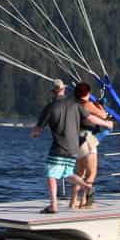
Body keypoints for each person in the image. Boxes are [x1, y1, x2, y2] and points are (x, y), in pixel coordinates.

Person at [30, 79, 87, 214]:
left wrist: (34, 134)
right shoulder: (74, 104)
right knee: (67, 174)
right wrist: (106, 123)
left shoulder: (50, 107)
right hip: (74, 148)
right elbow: (89, 118)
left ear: (53, 91)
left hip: (59, 147)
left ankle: (53, 205)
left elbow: (37, 131)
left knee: (51, 174)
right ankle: (86, 187)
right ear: (64, 90)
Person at [70, 83, 113, 209]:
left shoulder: (73, 105)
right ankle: (84, 200)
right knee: (91, 173)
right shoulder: (87, 104)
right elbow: (104, 115)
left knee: (79, 173)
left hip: (75, 140)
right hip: (87, 140)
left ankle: (73, 201)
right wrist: (100, 105)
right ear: (87, 93)